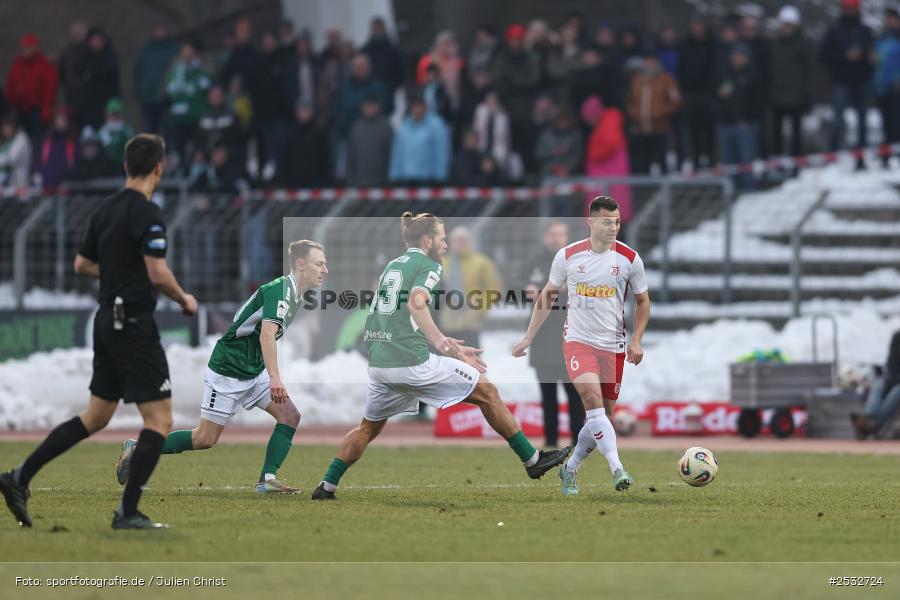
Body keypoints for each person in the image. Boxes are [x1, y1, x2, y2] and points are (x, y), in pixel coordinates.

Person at [0, 134, 198, 530]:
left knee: (96, 416)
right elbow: (158, 272)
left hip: (105, 319)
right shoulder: (148, 212)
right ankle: (128, 512)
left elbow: (81, 264)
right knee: (159, 420)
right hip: (133, 323)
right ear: (159, 167)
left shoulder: (106, 209)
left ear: (126, 166)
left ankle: (19, 476)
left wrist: (119, 269)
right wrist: (184, 299)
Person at [311, 212, 570, 500]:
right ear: (427, 240)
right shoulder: (430, 265)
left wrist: (448, 346)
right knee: (487, 392)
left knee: (367, 428)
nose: (445, 245)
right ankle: (532, 461)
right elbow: (416, 304)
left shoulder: (393, 265)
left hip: (381, 362)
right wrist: (441, 342)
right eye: (442, 238)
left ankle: (327, 485)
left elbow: (393, 316)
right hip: (409, 362)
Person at [117, 241, 328, 494]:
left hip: (252, 369)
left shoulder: (295, 295)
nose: (325, 269)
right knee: (204, 439)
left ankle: (267, 480)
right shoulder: (280, 290)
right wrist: (275, 378)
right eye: (319, 263)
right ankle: (138, 447)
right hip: (229, 369)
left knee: (290, 416)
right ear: (301, 264)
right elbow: (266, 336)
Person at [513, 196, 650, 495]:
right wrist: (528, 337)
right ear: (591, 222)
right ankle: (617, 468)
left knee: (602, 417)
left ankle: (570, 468)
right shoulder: (568, 256)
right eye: (606, 222)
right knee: (591, 398)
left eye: (617, 222)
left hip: (612, 346)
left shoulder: (629, 258)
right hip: (578, 341)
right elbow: (547, 296)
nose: (613, 227)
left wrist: (636, 339)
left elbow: (643, 301)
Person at [514, 221, 585, 448]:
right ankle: (551, 441)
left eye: (561, 234)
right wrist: (525, 290)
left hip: (569, 336)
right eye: (553, 234)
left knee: (574, 393)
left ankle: (578, 442)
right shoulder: (534, 262)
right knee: (547, 394)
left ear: (566, 237)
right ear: (546, 237)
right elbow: (513, 285)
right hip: (542, 338)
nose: (557, 238)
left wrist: (558, 290)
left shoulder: (576, 262)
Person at [820, 0, 874, 159]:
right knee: (837, 121)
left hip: (862, 81)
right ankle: (833, 156)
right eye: (848, 8)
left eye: (853, 8)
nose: (850, 11)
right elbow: (824, 55)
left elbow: (872, 56)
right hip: (841, 82)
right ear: (843, 9)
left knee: (862, 123)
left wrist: (866, 59)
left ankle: (860, 158)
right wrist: (845, 56)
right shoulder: (834, 30)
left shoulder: (865, 31)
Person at [439, 226, 502, 349]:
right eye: (456, 240)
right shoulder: (443, 262)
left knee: (471, 353)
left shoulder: (482, 262)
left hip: (471, 317)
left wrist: (481, 308)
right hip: (447, 319)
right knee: (449, 354)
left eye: (463, 240)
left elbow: (494, 288)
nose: (460, 244)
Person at [626, 51, 681, 174]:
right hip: (641, 128)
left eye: (651, 61)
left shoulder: (666, 80)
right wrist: (635, 114)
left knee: (661, 160)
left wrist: (660, 112)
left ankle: (664, 184)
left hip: (660, 128)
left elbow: (676, 102)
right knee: (643, 161)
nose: (648, 64)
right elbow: (630, 101)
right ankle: (645, 185)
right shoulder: (637, 80)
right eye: (646, 61)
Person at [770, 6, 814, 159]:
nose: (787, 28)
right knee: (776, 133)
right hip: (776, 96)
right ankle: (776, 161)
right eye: (785, 24)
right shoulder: (774, 44)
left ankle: (796, 162)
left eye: (790, 25)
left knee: (796, 133)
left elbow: (809, 71)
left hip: (797, 97)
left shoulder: (803, 45)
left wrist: (807, 95)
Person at [5, 34, 58, 141]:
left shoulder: (44, 64)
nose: (26, 51)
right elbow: (10, 84)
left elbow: (49, 90)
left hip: (37, 110)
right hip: (19, 109)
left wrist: (46, 110)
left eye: (29, 47)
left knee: (38, 139)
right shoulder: (17, 64)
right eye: (24, 47)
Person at [389, 94, 450, 184]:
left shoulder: (436, 125)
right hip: (406, 177)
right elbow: (398, 152)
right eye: (415, 106)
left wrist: (440, 176)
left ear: (426, 107)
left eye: (420, 106)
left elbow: (441, 152)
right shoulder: (404, 126)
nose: (417, 109)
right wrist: (394, 175)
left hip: (428, 178)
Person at [852, 330, 900, 439]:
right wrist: (890, 381)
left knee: (897, 391)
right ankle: (868, 417)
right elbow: (891, 364)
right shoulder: (897, 336)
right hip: (894, 377)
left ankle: (872, 423)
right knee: (879, 385)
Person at [133, 25, 179, 134]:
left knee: (168, 130)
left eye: (162, 30)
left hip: (166, 99)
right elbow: (137, 73)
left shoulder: (174, 49)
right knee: (150, 131)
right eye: (157, 30)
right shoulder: (145, 51)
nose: (159, 33)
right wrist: (139, 93)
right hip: (148, 98)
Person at [346, 94, 392, 187]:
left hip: (380, 181)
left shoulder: (386, 127)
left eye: (373, 106)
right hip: (359, 181)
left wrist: (388, 179)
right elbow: (351, 155)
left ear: (378, 107)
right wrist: (350, 179)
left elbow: (390, 155)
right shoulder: (356, 127)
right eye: (368, 106)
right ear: (362, 108)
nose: (370, 109)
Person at [0, 116, 32, 188]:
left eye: (8, 127)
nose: (5, 130)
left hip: (19, 184)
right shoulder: (9, 139)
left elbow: (10, 159)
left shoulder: (22, 138)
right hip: (9, 184)